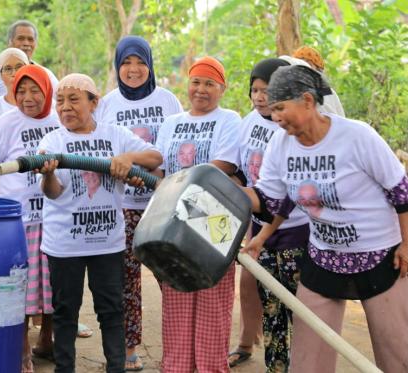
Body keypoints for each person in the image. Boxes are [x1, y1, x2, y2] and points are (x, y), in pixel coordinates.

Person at [243, 65, 408, 372]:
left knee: (397, 356)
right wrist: (256, 230)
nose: (275, 116)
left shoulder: (357, 136)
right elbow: (274, 199)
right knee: (308, 362)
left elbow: (401, 192)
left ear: (307, 101)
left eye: (280, 107)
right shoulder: (280, 144)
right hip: (324, 257)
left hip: (380, 256)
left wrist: (407, 246)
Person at [36, 73, 162, 373]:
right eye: (60, 101)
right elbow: (52, 193)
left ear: (94, 103)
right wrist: (48, 173)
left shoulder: (115, 134)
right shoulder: (53, 140)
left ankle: (116, 367)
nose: (65, 107)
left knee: (111, 310)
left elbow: (155, 157)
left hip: (108, 243)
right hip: (65, 244)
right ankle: (64, 368)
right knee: (66, 312)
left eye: (74, 100)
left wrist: (128, 157)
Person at [96, 35, 183, 371]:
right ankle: (129, 349)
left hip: (163, 201)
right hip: (124, 205)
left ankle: (177, 350)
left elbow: (173, 145)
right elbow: (105, 150)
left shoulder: (167, 100)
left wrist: (152, 170)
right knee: (126, 279)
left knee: (170, 277)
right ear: (118, 66)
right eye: (126, 63)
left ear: (150, 63)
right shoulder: (107, 103)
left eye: (140, 62)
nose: (133, 69)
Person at [155, 56, 241, 372]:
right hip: (174, 220)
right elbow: (160, 168)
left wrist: (177, 184)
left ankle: (211, 368)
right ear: (187, 84)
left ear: (222, 88)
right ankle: (176, 366)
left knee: (212, 301)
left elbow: (224, 166)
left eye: (209, 83)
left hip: (214, 220)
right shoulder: (171, 123)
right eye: (196, 82)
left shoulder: (229, 119)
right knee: (177, 296)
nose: (201, 89)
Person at [0, 64, 59, 373]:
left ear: (47, 91)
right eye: (21, 91)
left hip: (54, 219)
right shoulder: (5, 123)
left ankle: (48, 340)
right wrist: (7, 211)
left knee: (53, 286)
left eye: (35, 90)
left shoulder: (58, 121)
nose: (27, 97)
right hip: (20, 222)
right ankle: (22, 349)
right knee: (20, 289)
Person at [233, 58, 310, 372]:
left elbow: (293, 191)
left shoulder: (293, 129)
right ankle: (275, 366)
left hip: (296, 231)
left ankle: (305, 365)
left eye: (267, 90)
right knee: (271, 307)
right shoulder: (249, 121)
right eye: (255, 90)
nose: (261, 97)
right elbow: (241, 170)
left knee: (299, 309)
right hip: (261, 221)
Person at [0, 20, 59, 112]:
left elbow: (60, 98)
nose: (26, 43)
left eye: (30, 39)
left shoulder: (44, 73)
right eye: (21, 38)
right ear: (10, 42)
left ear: (35, 44)